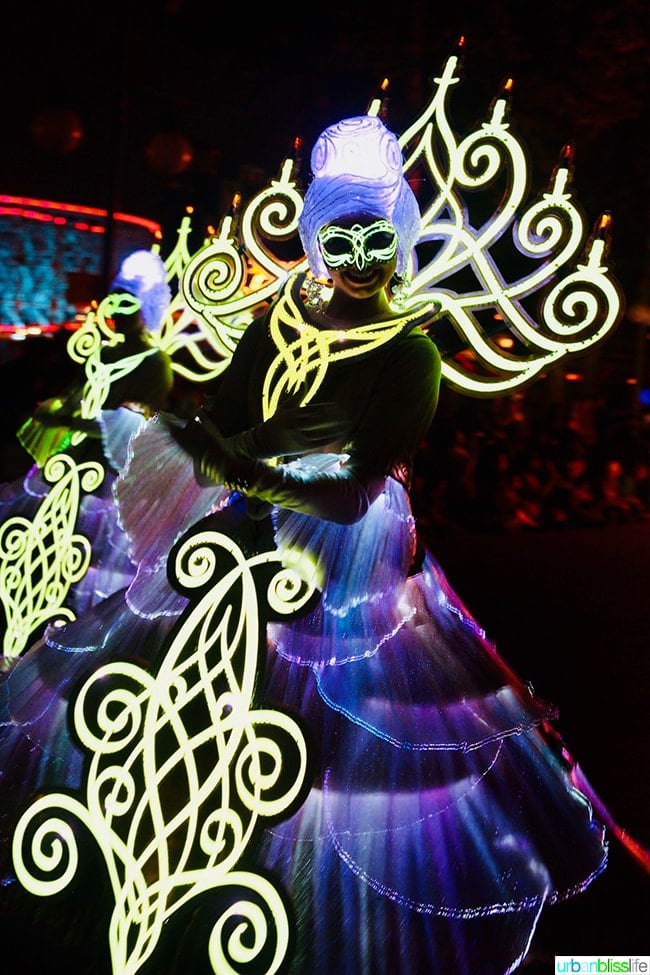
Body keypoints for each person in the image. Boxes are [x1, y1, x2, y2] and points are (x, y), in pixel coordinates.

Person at [0, 116, 645, 975]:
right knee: (149, 705)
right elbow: (223, 414)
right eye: (338, 231)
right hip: (233, 538)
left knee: (340, 757)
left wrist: (244, 470)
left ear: (402, 237)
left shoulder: (413, 356)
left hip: (338, 566)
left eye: (376, 232)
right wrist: (119, 423)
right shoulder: (277, 317)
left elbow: (352, 493)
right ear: (313, 234)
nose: (356, 250)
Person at [0, 250, 175, 665]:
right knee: (41, 561)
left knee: (94, 572)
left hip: (112, 481)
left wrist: (69, 419)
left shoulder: (155, 364)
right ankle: (26, 644)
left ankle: (68, 656)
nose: (119, 309)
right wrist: (60, 411)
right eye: (116, 297)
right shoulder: (105, 355)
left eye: (129, 301)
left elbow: (135, 429)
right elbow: (78, 401)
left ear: (146, 306)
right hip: (71, 471)